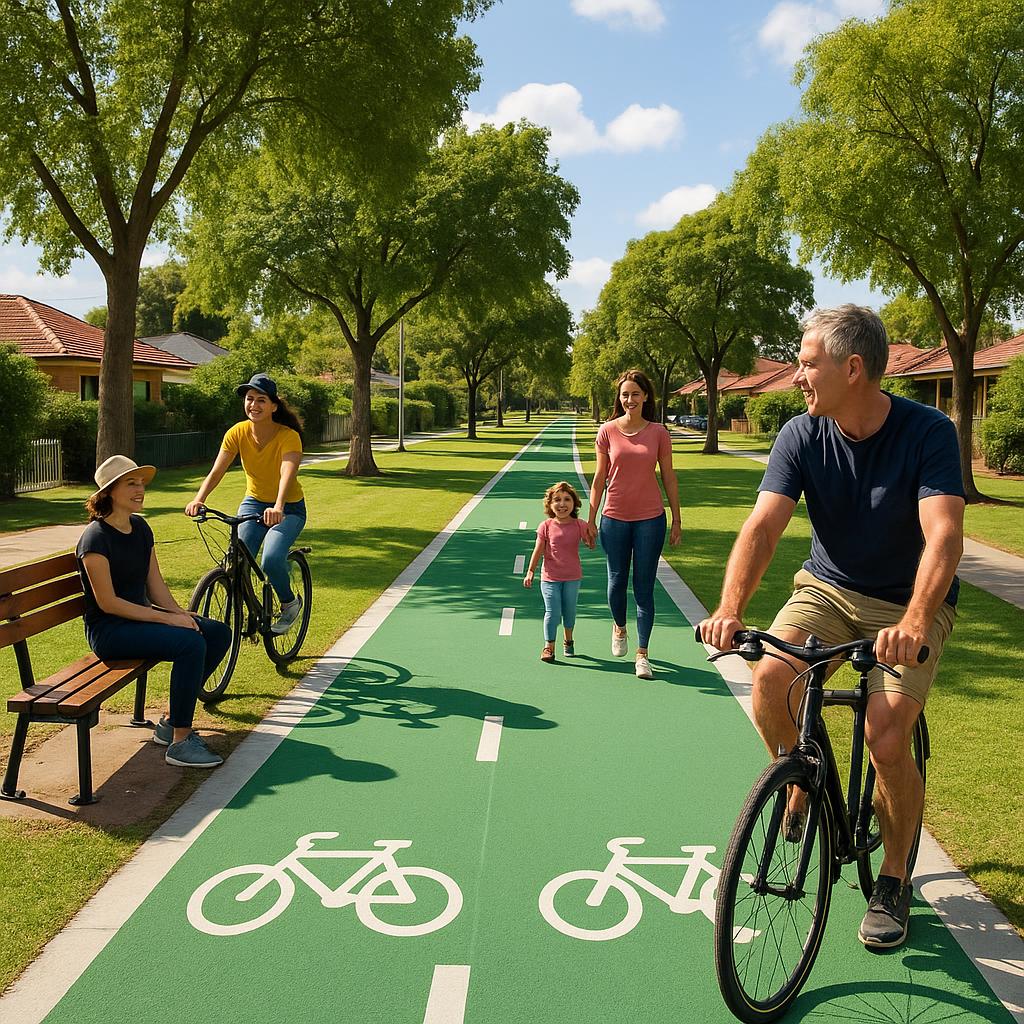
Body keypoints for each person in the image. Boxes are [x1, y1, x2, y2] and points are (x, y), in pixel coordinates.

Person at [697, 304, 964, 950]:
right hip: (826, 588)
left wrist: (915, 621)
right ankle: (800, 783)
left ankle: (895, 877)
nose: (797, 377)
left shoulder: (929, 433)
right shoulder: (801, 435)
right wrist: (731, 609)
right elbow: (763, 529)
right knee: (769, 683)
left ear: (852, 368)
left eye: (807, 363)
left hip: (906, 605)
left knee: (885, 735)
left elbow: (945, 536)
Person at [77, 456, 232, 768]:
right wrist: (166, 618)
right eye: (130, 483)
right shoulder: (95, 539)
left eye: (141, 483)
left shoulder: (140, 528)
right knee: (190, 644)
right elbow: (108, 603)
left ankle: (171, 722)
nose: (140, 489)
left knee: (215, 632)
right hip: (111, 632)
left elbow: (155, 583)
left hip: (139, 621)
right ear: (109, 492)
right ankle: (180, 741)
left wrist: (182, 615)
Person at [185, 373, 306, 634]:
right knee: (236, 558)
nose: (254, 405)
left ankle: (289, 603)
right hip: (253, 502)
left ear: (274, 406)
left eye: (261, 400)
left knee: (271, 560)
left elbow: (288, 472)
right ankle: (249, 608)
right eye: (250, 399)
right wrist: (199, 499)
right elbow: (217, 471)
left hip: (288, 507)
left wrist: (279, 506)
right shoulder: (237, 433)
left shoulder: (288, 436)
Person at [586, 369, 681, 680]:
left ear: (646, 397)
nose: (630, 399)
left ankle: (643, 654)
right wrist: (590, 519)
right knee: (615, 583)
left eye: (635, 394)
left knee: (644, 588)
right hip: (613, 518)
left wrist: (677, 518)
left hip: (651, 520)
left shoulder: (659, 433)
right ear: (620, 398)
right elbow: (599, 479)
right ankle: (619, 626)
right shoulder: (607, 431)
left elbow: (668, 476)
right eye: (625, 394)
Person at [524, 481, 594, 662]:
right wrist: (530, 571)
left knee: (569, 611)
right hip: (550, 578)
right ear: (550, 504)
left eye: (567, 500)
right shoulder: (545, 526)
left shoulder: (580, 525)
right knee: (552, 612)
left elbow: (590, 543)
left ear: (574, 503)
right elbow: (538, 549)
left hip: (572, 577)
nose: (562, 504)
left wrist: (591, 538)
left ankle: (568, 640)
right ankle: (549, 647)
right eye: (557, 500)